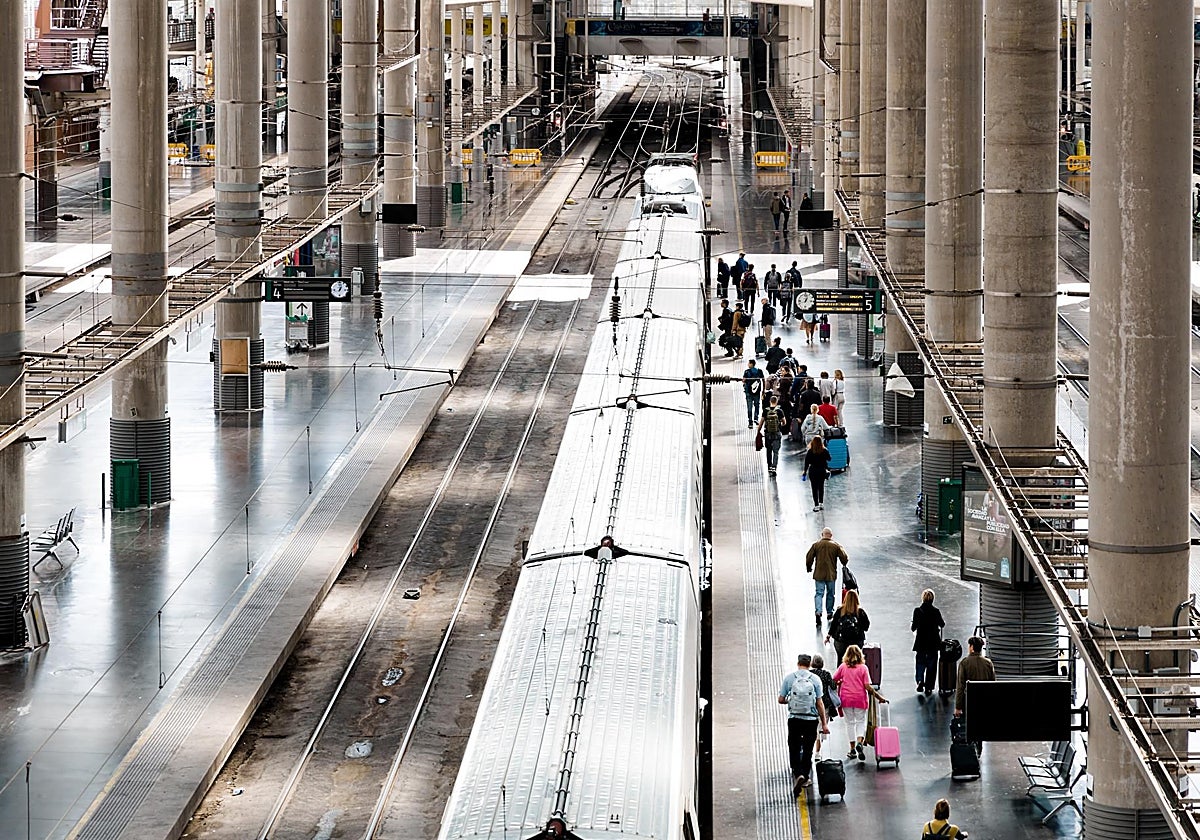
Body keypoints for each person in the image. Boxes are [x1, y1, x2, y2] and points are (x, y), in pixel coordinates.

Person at [778, 653, 830, 794]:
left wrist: (792, 700)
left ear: (798, 663)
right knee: (808, 748)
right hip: (811, 720)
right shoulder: (815, 679)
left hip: (794, 718)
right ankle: (806, 777)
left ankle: (798, 773)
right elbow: (819, 703)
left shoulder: (790, 678)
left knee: (794, 747)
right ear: (809, 664)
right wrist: (824, 724)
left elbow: (780, 699)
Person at [833, 644, 888, 762]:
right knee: (860, 722)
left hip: (846, 699)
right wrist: (879, 697)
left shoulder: (843, 667)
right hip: (860, 699)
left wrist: (840, 682)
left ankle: (852, 749)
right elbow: (867, 686)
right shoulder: (863, 668)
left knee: (849, 723)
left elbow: (834, 679)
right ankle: (859, 742)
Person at [955, 636, 996, 754]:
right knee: (980, 724)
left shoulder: (965, 663)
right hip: (984, 700)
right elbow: (993, 684)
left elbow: (960, 686)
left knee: (969, 724)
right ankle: (979, 747)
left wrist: (958, 706)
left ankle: (970, 749)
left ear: (972, 647)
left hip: (969, 700)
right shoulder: (988, 663)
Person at [805, 527, 847, 627]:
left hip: (819, 574)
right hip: (831, 574)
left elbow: (809, 557)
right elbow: (844, 558)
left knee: (819, 593)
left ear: (822, 534)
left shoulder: (816, 545)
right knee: (830, 593)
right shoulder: (836, 546)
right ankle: (829, 613)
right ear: (831, 536)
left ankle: (818, 612)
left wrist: (809, 567)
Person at [912, 589, 946, 696]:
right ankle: (929, 687)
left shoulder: (917, 611)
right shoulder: (936, 611)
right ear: (932, 599)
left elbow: (913, 628)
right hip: (933, 642)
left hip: (921, 642)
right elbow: (942, 624)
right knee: (932, 665)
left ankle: (920, 680)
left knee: (920, 662)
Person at [827, 589, 870, 664]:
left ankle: (841, 673)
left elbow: (833, 625)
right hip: (856, 641)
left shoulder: (840, 610)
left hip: (841, 641)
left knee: (841, 660)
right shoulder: (860, 612)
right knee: (856, 661)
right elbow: (866, 627)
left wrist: (828, 636)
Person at [758, 395, 786, 476]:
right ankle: (774, 467)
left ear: (770, 401)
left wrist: (758, 431)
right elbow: (784, 422)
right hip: (777, 433)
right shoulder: (779, 411)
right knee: (776, 452)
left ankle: (769, 467)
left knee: (769, 451)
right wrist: (780, 424)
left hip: (767, 433)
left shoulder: (765, 411)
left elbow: (761, 422)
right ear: (776, 402)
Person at [803, 434, 832, 511]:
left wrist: (805, 472)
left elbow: (806, 463)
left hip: (813, 471)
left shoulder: (810, 451)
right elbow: (829, 459)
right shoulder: (824, 450)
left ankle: (816, 505)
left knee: (814, 488)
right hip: (822, 471)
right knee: (821, 487)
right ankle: (821, 503)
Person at [743, 358, 765, 427]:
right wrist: (763, 390)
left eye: (749, 363)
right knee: (757, 405)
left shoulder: (746, 372)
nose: (748, 364)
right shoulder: (759, 371)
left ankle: (750, 422)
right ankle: (756, 418)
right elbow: (763, 380)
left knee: (749, 407)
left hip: (748, 392)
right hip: (757, 392)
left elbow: (743, 381)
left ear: (751, 364)